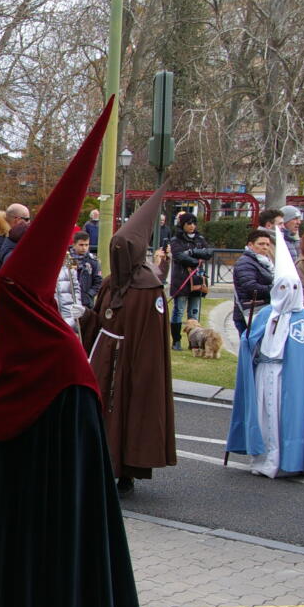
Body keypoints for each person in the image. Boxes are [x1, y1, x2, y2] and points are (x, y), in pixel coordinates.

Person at [0, 100, 147, 607]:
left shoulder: (59, 363)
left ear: (27, 301)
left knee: (43, 548)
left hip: (43, 508)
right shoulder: (24, 351)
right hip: (20, 499)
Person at [82, 186, 178, 497]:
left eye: (124, 251)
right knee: (96, 413)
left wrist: (138, 370)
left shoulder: (149, 289)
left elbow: (151, 340)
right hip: (102, 360)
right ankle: (95, 466)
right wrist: (82, 316)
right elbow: (101, 319)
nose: (118, 257)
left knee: (128, 415)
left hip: (131, 364)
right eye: (115, 251)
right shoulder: (111, 283)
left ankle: (126, 472)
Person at [226, 231, 304, 478]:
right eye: (282, 287)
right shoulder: (266, 315)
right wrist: (248, 342)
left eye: (292, 287)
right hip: (265, 372)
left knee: (288, 418)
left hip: (291, 377)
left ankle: (289, 460)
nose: (288, 292)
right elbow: (250, 341)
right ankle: (264, 458)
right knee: (265, 416)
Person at [168, 212, 212, 350]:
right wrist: (196, 259)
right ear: (183, 224)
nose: (192, 226)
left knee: (194, 311)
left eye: (194, 223)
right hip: (181, 279)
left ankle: (194, 342)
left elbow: (208, 253)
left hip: (197, 279)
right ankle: (176, 340)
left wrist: (192, 252)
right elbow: (179, 256)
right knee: (179, 311)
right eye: (189, 223)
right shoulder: (176, 240)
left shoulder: (200, 238)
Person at [232, 229, 274, 335]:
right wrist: (275, 288)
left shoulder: (264, 262)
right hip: (250, 312)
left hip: (260, 310)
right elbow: (250, 287)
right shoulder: (245, 262)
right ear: (250, 245)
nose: (265, 247)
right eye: (261, 244)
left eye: (267, 244)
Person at [70, 231, 102, 308]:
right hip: (68, 300)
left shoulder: (93, 261)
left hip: (86, 303)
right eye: (81, 245)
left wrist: (89, 294)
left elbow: (98, 282)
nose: (84, 248)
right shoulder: (66, 260)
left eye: (86, 245)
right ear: (74, 244)